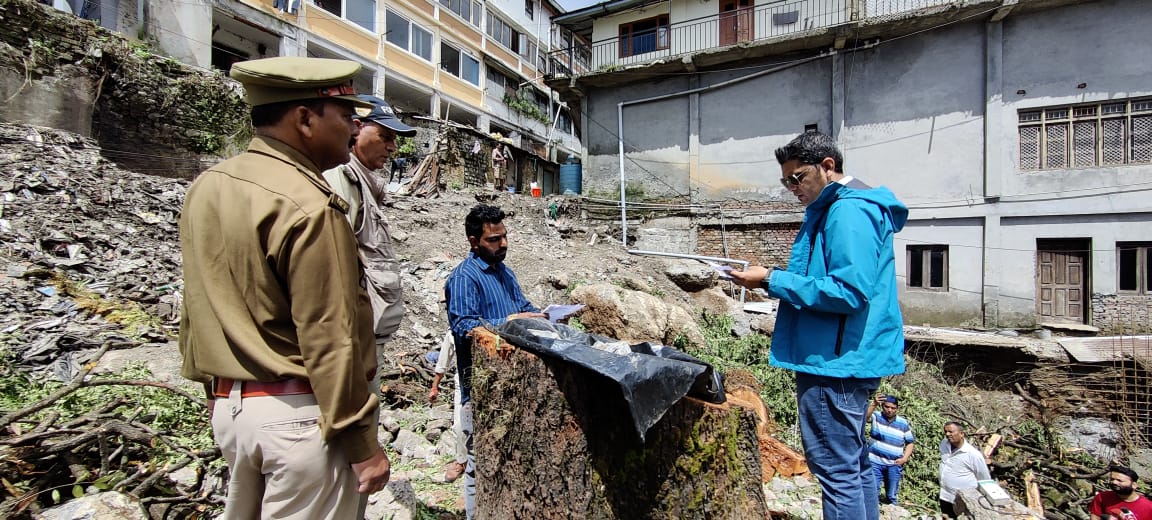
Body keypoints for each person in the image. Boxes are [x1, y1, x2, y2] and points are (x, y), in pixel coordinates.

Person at [179, 56, 389, 519]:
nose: (354, 128)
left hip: (232, 412)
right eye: (345, 114)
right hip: (302, 418)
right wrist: (362, 443)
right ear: (305, 118)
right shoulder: (311, 206)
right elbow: (329, 335)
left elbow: (195, 310)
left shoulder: (206, 188)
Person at [729, 131, 908, 520]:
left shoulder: (848, 210)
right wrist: (770, 283)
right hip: (845, 357)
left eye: (798, 177)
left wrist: (771, 279)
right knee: (852, 463)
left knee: (836, 469)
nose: (793, 188)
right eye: (785, 181)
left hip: (834, 362)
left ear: (828, 166)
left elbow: (848, 291)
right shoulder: (842, 207)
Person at [444, 204, 545, 519]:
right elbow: (464, 326)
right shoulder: (464, 278)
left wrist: (543, 315)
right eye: (493, 239)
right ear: (474, 241)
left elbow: (523, 306)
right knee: (480, 467)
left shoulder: (505, 271)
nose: (503, 244)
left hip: (514, 386)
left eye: (504, 237)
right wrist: (511, 320)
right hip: (482, 392)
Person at [322, 94, 416, 395]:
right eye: (384, 137)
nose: (392, 147)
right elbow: (334, 266)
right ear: (357, 128)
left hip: (366, 337)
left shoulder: (363, 182)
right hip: (352, 340)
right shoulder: (342, 178)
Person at [428, 331, 467, 483]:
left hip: (488, 380)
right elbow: (443, 361)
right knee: (459, 425)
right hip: (463, 382)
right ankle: (461, 461)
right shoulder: (453, 331)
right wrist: (434, 387)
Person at [866, 394, 915, 505]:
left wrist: (905, 458)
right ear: (882, 406)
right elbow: (864, 418)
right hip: (874, 462)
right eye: (887, 407)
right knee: (872, 491)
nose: (889, 410)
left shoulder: (903, 423)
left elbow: (910, 442)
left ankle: (892, 511)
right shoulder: (876, 416)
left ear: (897, 409)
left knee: (891, 494)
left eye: (893, 408)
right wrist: (874, 404)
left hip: (894, 463)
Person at [938, 421, 991, 517]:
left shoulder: (973, 455)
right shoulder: (944, 444)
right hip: (945, 495)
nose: (947, 434)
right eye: (945, 432)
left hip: (963, 501)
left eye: (951, 432)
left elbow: (984, 479)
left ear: (961, 434)